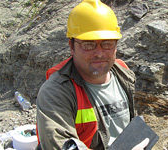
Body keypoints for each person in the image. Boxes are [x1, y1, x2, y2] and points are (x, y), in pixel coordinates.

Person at [36, 0, 149, 149]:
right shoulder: (56, 92)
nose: (99, 53)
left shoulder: (123, 73)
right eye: (88, 44)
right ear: (72, 46)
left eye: (107, 43)